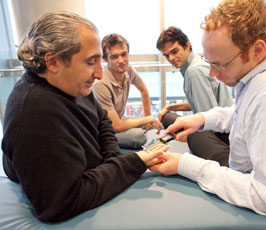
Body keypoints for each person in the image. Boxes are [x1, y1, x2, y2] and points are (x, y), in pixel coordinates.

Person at [150, 0, 266, 222]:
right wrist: (202, 119)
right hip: (254, 160)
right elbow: (244, 113)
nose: (211, 73)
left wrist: (186, 165)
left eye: (220, 65)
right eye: (208, 61)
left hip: (254, 179)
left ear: (257, 50)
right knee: (197, 133)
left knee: (196, 142)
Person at [1, 11, 168, 223]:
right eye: (91, 62)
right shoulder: (35, 116)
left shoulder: (72, 86)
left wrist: (113, 160)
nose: (99, 74)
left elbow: (102, 120)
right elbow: (61, 204)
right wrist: (131, 164)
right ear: (53, 62)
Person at [156, 26, 234, 166]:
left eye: (174, 51)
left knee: (191, 135)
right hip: (224, 124)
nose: (171, 58)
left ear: (186, 45)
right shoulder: (197, 62)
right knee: (167, 116)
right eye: (167, 55)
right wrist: (170, 106)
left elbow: (208, 118)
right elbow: (200, 101)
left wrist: (186, 135)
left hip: (222, 133)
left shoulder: (194, 72)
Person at [92, 34, 161, 150]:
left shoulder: (128, 70)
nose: (121, 61)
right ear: (105, 59)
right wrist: (146, 119)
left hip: (118, 119)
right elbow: (116, 126)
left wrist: (148, 117)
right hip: (103, 130)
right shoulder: (101, 84)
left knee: (153, 124)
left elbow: (143, 89)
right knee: (138, 136)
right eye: (114, 57)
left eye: (124, 54)